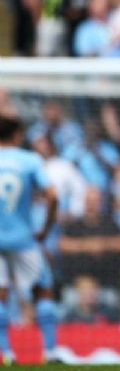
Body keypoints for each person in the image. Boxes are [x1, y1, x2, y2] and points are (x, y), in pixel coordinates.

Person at [0, 116, 59, 365]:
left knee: (1, 295)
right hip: (23, 238)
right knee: (43, 292)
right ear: (18, 135)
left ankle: (6, 355)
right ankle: (50, 352)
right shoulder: (30, 160)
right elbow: (53, 195)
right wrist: (45, 228)